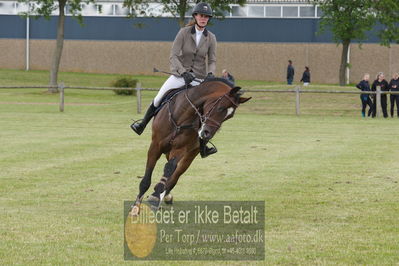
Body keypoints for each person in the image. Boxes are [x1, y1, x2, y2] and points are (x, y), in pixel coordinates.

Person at [130, 2, 217, 158]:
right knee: (158, 98)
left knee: (207, 111)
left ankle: (203, 146)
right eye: (201, 15)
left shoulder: (211, 38)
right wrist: (183, 72)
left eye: (206, 17)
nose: (204, 18)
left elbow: (212, 60)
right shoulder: (183, 33)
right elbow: (174, 55)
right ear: (195, 16)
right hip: (180, 75)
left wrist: (210, 74)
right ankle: (142, 124)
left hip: (199, 78)